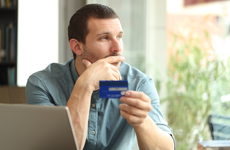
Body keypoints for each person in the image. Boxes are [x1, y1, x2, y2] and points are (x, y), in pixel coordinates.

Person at [26, 3, 175, 150]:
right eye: (104, 38)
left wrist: (143, 121)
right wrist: (85, 84)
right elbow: (59, 147)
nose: (117, 47)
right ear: (77, 47)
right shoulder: (42, 84)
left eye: (119, 36)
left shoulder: (138, 84)